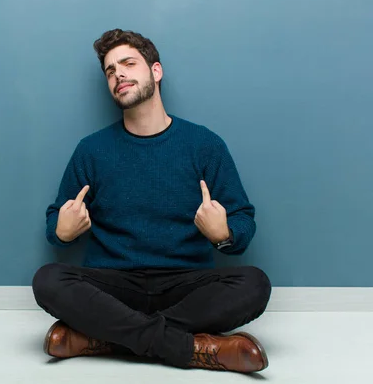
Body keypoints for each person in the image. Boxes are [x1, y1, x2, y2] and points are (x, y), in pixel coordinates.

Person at [32, 29, 272, 373]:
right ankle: (192, 348)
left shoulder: (204, 144)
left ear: (155, 71)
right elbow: (55, 224)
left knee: (255, 284)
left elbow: (243, 221)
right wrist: (63, 231)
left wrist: (224, 234)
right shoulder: (92, 150)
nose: (119, 75)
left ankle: (104, 338)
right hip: (113, 285)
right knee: (47, 279)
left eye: (128, 63)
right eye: (111, 71)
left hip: (185, 285)